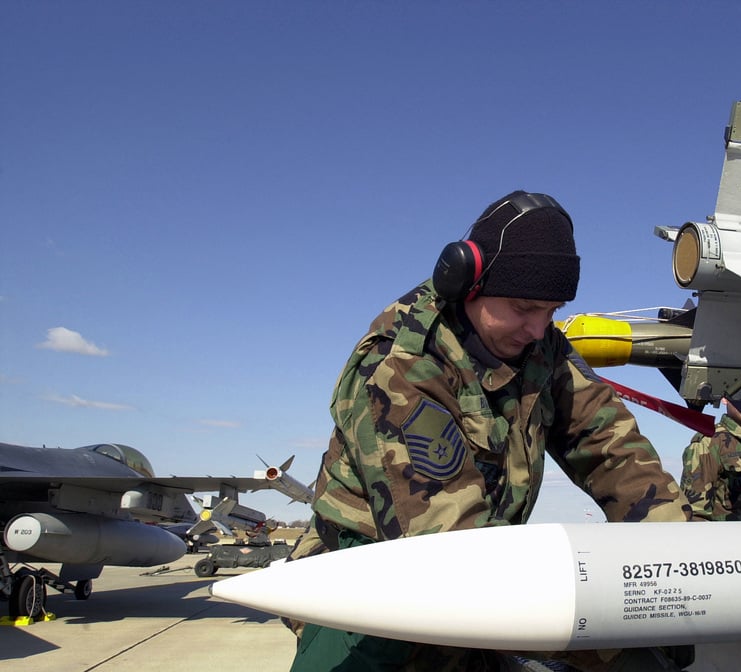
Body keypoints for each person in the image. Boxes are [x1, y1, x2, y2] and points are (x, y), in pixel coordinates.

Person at [287, 190, 696, 671]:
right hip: (372, 609)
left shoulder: (543, 350)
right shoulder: (401, 365)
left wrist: (682, 572)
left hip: (482, 599)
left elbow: (614, 450)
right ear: (468, 282)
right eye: (524, 308)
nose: (538, 329)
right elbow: (454, 558)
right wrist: (610, 640)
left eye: (552, 310)